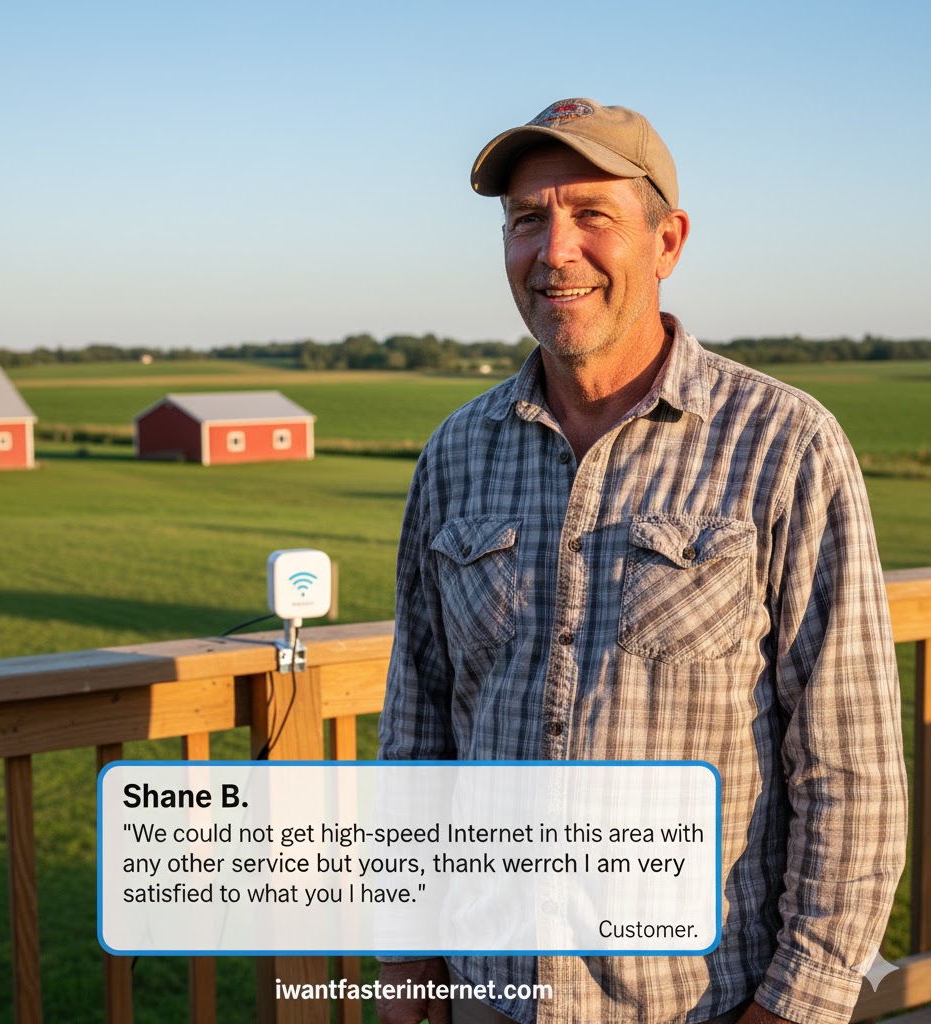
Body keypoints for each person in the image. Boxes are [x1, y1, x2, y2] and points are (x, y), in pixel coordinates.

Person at [376, 98, 908, 1024]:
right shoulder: (455, 454)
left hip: (699, 1002)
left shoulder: (784, 444)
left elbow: (847, 764)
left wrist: (799, 1003)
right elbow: (416, 730)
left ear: (668, 242)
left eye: (593, 215)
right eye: (528, 220)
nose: (555, 251)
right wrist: (406, 949)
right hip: (487, 990)